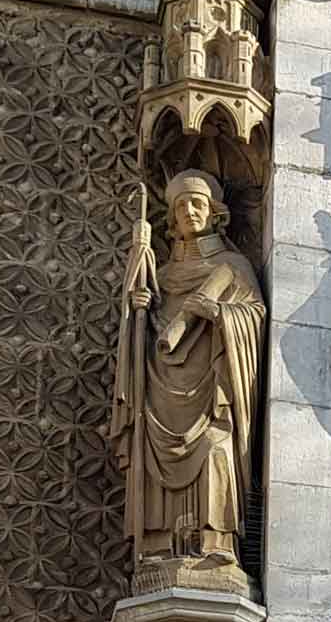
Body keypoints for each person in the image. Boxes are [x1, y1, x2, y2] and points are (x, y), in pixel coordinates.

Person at [110, 169, 265, 564]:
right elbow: (146, 342)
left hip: (211, 392)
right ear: (173, 218)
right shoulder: (161, 276)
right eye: (182, 206)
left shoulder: (232, 267)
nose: (190, 212)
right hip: (163, 390)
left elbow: (255, 317)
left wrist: (217, 313)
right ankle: (161, 544)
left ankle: (216, 544)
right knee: (155, 461)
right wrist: (140, 314)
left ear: (214, 213)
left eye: (198, 204)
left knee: (215, 452)